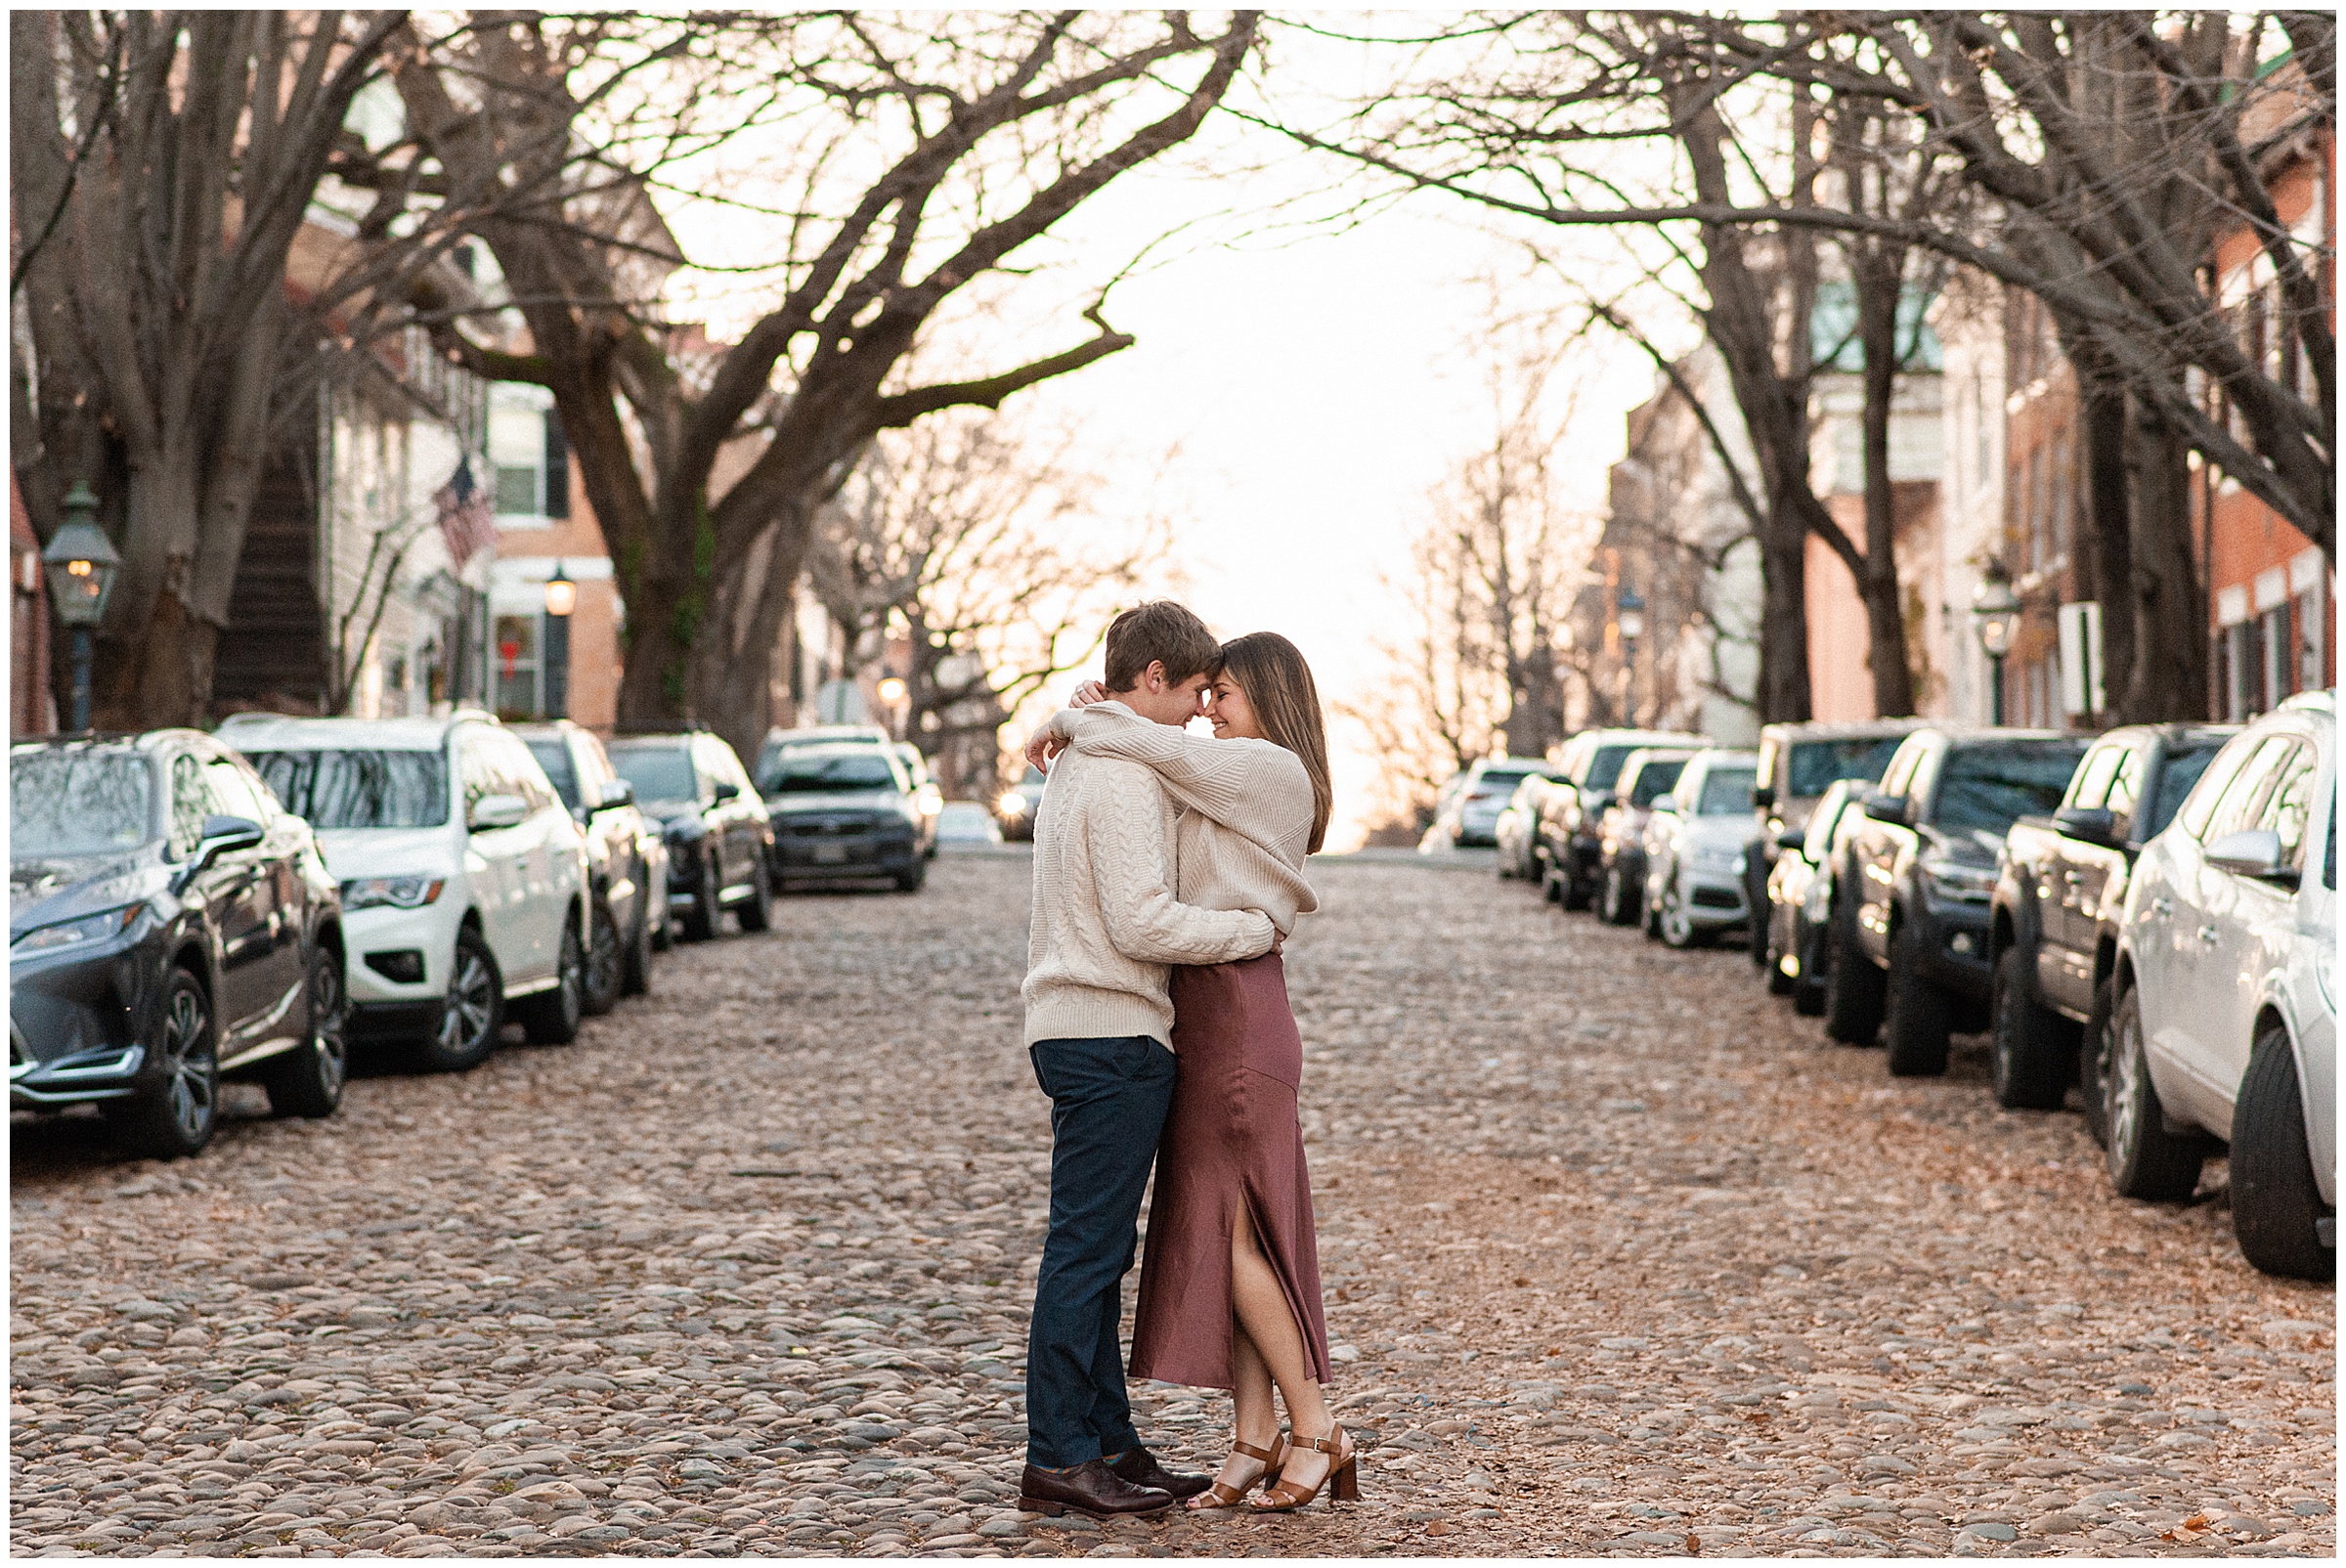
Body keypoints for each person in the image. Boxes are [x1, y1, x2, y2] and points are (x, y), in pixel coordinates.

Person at [1029, 631, 1357, 1513]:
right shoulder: (1207, 780)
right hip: (1196, 1017)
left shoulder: (1274, 771)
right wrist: (1097, 728)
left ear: (1271, 700)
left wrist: (1076, 717)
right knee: (1229, 1228)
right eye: (1204, 694)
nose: (1208, 711)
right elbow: (1141, 779)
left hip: (1240, 1011)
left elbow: (1147, 741)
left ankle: (1318, 1427)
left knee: (1243, 1234)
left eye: (1225, 695)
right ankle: (1254, 1440)